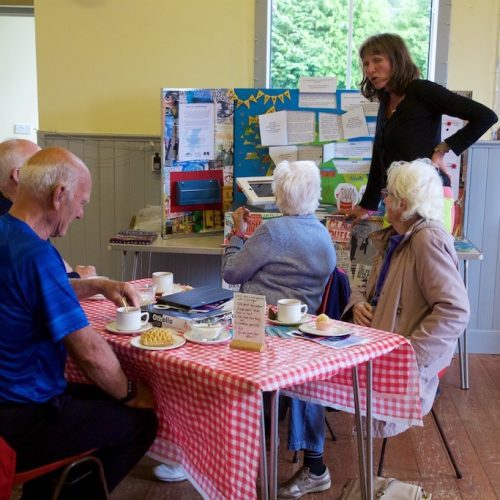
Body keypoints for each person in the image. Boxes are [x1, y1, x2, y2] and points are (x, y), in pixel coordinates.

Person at [0, 147, 158, 499]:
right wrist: (132, 392)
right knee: (139, 420)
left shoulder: (10, 235)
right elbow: (87, 352)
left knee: (97, 400)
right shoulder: (35, 254)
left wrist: (100, 284)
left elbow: (41, 288)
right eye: (82, 202)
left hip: (10, 405)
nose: (82, 214)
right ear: (59, 195)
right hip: (21, 419)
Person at [222, 160, 337, 499]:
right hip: (303, 335)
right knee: (299, 381)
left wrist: (237, 235)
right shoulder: (323, 234)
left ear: (278, 194)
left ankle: (227, 449)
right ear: (313, 195)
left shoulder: (272, 232)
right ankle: (310, 463)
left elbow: (231, 273)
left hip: (258, 331)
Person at [342, 158, 470, 435]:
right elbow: (365, 286)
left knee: (315, 383)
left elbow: (455, 311)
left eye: (388, 195)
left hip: (398, 364)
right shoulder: (396, 236)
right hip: (374, 346)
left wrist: (409, 355)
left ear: (403, 204)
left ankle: (318, 465)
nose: (383, 200)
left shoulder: (427, 240)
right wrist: (358, 303)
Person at [347, 33, 498, 224]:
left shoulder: (421, 91)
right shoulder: (386, 100)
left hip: (429, 196)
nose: (370, 69)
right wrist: (367, 206)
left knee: (426, 253)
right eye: (366, 63)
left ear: (397, 60)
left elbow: (486, 116)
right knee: (396, 254)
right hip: (397, 199)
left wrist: (442, 149)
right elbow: (380, 158)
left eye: (377, 60)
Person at [0, 139, 97, 278]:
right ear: (19, 176)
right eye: (39, 165)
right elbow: (42, 280)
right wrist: (79, 277)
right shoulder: (18, 227)